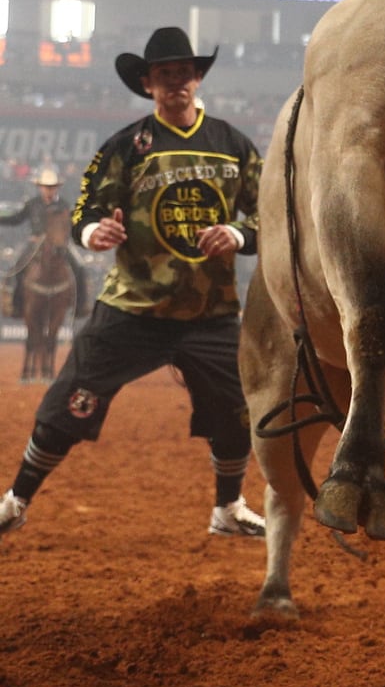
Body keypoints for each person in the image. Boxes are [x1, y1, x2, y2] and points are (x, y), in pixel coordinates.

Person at [0, 27, 266, 541]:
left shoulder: (233, 144)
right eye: (164, 76)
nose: (175, 84)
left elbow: (267, 214)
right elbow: (86, 208)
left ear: (197, 78)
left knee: (237, 413)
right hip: (132, 308)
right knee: (65, 406)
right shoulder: (126, 145)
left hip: (210, 313)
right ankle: (16, 500)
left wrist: (238, 231)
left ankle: (228, 507)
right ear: (147, 84)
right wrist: (92, 232)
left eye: (184, 74)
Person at [0, 166, 91, 319]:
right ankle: (16, 305)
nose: (49, 190)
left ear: (56, 188)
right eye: (46, 187)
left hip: (60, 244)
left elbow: (71, 224)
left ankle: (81, 306)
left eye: (52, 187)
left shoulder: (63, 205)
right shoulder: (32, 204)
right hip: (35, 244)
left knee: (79, 267)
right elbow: (17, 219)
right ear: (40, 187)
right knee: (16, 268)